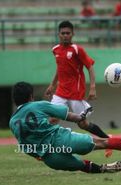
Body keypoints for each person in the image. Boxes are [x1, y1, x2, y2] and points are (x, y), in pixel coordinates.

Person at [10, 82, 121, 173]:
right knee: (101, 143)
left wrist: (39, 156)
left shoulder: (12, 122)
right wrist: (81, 116)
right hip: (62, 140)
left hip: (50, 158)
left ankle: (103, 169)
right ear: (30, 96)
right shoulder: (39, 105)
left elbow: (24, 146)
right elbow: (69, 116)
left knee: (80, 165)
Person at [44, 20, 114, 157]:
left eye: (68, 33)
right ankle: (47, 149)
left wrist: (93, 87)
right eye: (63, 33)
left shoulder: (77, 49)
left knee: (83, 124)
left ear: (72, 34)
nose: (65, 35)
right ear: (58, 34)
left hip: (75, 93)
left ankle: (109, 140)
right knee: (52, 119)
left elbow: (90, 67)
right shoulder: (55, 50)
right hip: (60, 92)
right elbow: (60, 68)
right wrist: (52, 84)